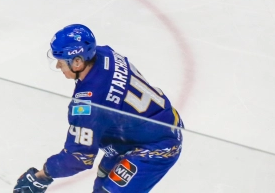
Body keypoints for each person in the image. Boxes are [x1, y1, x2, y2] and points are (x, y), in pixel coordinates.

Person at [12, 25, 183, 193]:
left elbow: (79, 158)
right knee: (101, 186)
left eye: (61, 61)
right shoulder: (104, 53)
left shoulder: (89, 104)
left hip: (156, 146)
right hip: (141, 133)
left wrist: (41, 176)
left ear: (78, 62)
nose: (58, 66)